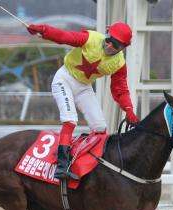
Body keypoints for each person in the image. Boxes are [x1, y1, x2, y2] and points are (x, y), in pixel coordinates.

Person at [26, 22, 139, 180]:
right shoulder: (90, 38)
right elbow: (65, 37)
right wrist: (44, 30)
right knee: (70, 120)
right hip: (64, 79)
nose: (110, 45)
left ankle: (87, 162)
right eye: (109, 40)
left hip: (84, 87)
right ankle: (61, 166)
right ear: (106, 34)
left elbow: (120, 90)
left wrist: (128, 109)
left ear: (124, 47)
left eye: (116, 45)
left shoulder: (119, 64)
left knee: (100, 128)